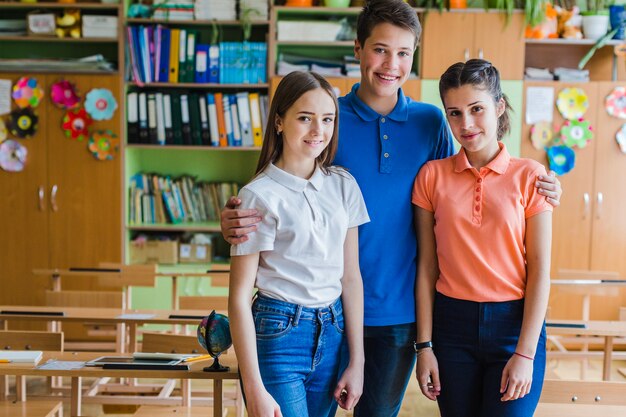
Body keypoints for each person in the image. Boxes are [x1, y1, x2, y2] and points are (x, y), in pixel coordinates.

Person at [222, 1, 562, 416]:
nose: (391, 64)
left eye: (404, 53)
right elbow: (280, 187)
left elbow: (471, 180)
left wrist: (541, 186)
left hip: (398, 314)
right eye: (380, 49)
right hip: (322, 309)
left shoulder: (431, 123)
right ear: (358, 49)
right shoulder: (327, 117)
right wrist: (235, 218)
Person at [412, 59, 552, 417]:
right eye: (454, 113)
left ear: (499, 106)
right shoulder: (431, 177)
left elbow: (539, 270)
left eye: (477, 109)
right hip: (451, 327)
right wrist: (424, 346)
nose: (466, 124)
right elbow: (427, 267)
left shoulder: (531, 176)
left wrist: (525, 353)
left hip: (513, 326)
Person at [228, 71, 369, 417]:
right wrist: (253, 387)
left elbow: (350, 278)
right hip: (278, 332)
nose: (318, 130)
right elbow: (238, 297)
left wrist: (358, 360)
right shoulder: (257, 196)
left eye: (327, 119)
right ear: (279, 122)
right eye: (305, 118)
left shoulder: (343, 185)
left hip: (333, 331)